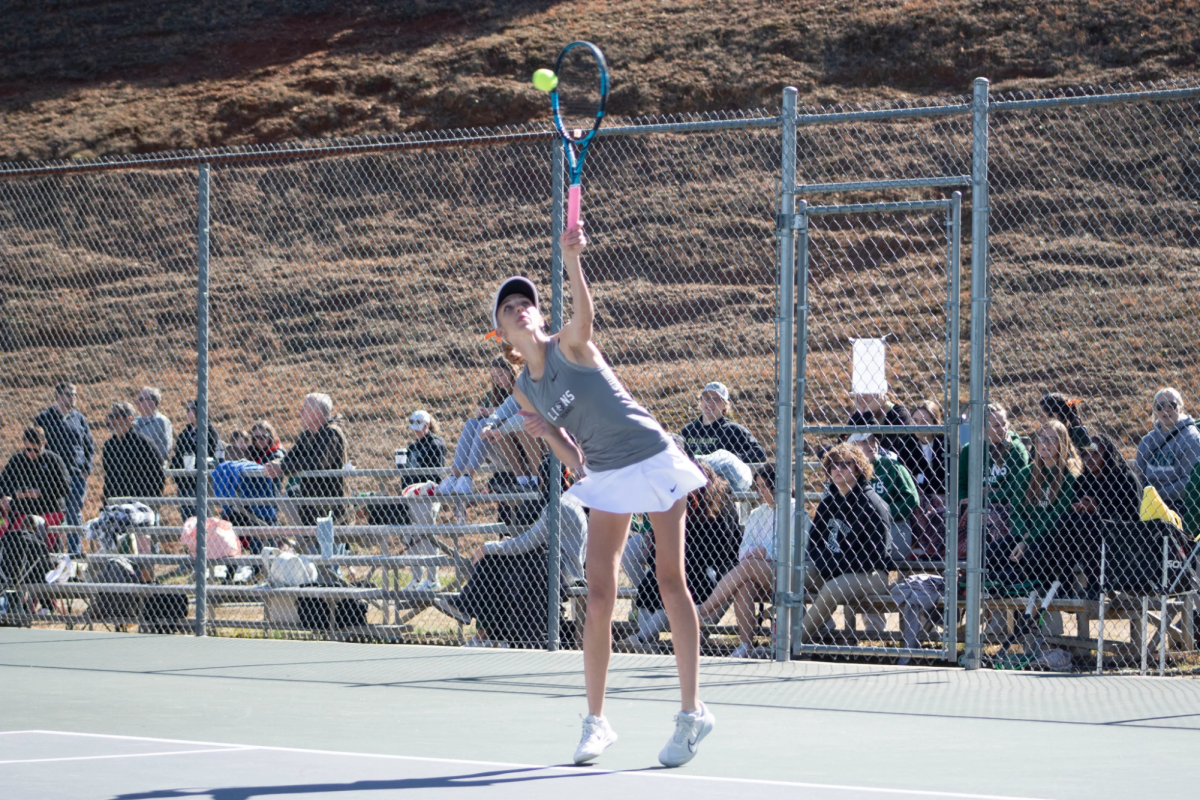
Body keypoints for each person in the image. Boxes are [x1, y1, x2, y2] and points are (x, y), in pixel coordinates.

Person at [495, 223, 713, 767]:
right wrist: (551, 437)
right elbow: (577, 460)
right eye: (510, 308)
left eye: (527, 303)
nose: (521, 310)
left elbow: (586, 316)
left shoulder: (571, 342)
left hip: (652, 454)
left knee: (669, 579)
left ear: (541, 315)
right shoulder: (524, 388)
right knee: (597, 597)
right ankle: (596, 722)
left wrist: (572, 260)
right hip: (609, 474)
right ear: (500, 333)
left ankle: (692, 715)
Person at [436, 458, 587, 647]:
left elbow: (530, 541)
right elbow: (535, 539)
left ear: (543, 481)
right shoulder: (564, 502)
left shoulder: (560, 505)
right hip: (552, 564)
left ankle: (475, 615)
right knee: (496, 560)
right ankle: (484, 629)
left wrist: (489, 547)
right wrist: (504, 546)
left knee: (496, 557)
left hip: (564, 570)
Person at [626, 459, 741, 652]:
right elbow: (661, 540)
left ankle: (641, 639)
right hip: (684, 562)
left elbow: (723, 548)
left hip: (710, 568)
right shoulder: (677, 499)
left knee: (683, 587)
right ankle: (647, 639)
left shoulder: (721, 503)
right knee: (651, 585)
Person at [696, 463, 792, 658]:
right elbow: (743, 551)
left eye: (765, 486)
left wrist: (765, 552)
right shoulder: (757, 514)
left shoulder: (795, 511)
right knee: (744, 585)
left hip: (786, 573)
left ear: (777, 485)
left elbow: (793, 550)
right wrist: (758, 553)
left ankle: (704, 610)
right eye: (758, 486)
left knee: (748, 566)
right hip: (756, 573)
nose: (760, 491)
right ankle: (746, 645)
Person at [802, 442, 893, 642]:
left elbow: (877, 555)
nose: (838, 469)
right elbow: (814, 544)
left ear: (858, 467)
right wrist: (825, 563)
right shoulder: (828, 503)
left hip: (871, 575)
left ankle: (793, 642)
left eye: (845, 464)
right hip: (833, 569)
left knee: (832, 589)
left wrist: (835, 565)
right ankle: (821, 634)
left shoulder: (873, 504)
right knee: (792, 577)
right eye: (834, 465)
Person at [1041, 433, 1141, 594]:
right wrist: (1078, 507)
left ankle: (1095, 586)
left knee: (1085, 521)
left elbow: (1133, 518)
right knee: (1064, 521)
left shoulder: (1125, 478)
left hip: (1119, 538)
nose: (1089, 458)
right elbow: (1075, 510)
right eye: (1085, 453)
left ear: (1107, 455)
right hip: (1084, 537)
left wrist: (1099, 509)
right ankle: (1064, 585)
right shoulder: (1083, 480)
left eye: (1095, 453)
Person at [439, 356, 542, 495]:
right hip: (498, 444)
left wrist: (491, 413)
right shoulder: (494, 394)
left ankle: (468, 476)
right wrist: (483, 413)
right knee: (473, 423)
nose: (497, 379)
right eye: (493, 376)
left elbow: (522, 411)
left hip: (524, 438)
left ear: (512, 371)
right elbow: (501, 412)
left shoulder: (522, 386)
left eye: (500, 374)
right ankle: (455, 476)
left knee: (493, 424)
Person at [995, 419, 1082, 577]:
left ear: (1062, 443)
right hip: (1025, 534)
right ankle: (1004, 581)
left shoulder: (1070, 475)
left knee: (1032, 555)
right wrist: (1023, 536)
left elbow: (1057, 515)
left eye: (1051, 439)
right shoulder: (1026, 474)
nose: (1045, 443)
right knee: (989, 555)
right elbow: (1016, 511)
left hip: (1050, 537)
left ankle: (1018, 581)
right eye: (1041, 438)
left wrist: (1028, 540)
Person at [261, 393, 347, 525]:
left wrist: (282, 468)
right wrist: (276, 464)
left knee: (327, 543)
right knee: (288, 497)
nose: (300, 413)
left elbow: (317, 461)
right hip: (310, 503)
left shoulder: (331, 433)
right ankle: (307, 543)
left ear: (317, 413)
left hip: (330, 505)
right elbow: (291, 456)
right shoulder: (308, 434)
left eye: (304, 409)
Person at [34, 382, 94, 552]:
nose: (73, 398)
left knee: (74, 513)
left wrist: (86, 469)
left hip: (75, 475)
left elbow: (89, 445)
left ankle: (74, 552)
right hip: (51, 476)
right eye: (69, 394)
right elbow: (38, 446)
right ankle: (50, 551)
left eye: (75, 394)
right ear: (58, 396)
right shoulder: (44, 418)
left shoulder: (79, 419)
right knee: (51, 513)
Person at [849, 432, 919, 559]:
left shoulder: (892, 466)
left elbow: (912, 499)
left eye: (874, 440)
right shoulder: (847, 471)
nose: (872, 445)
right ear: (852, 446)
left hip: (894, 527)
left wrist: (882, 514)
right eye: (865, 441)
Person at [0, 426, 70, 540]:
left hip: (49, 510)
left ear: (44, 443)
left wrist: (40, 493)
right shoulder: (17, 460)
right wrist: (12, 495)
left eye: (36, 450)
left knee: (46, 546)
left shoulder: (53, 460)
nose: (31, 453)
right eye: (28, 449)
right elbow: (3, 484)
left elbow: (65, 486)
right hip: (22, 511)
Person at [1135, 387, 1200, 509]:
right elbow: (1138, 477)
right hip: (1147, 503)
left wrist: (1157, 496)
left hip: (1179, 505)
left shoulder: (1191, 437)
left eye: (1172, 405)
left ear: (1180, 407)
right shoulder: (1147, 441)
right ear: (1155, 409)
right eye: (1161, 406)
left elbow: (1190, 482)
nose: (1166, 409)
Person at [957, 403, 1030, 503]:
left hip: (1003, 506)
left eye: (1004, 424)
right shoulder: (968, 450)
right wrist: (964, 502)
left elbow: (1014, 490)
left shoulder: (1016, 449)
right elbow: (961, 485)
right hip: (972, 505)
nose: (1003, 429)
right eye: (996, 426)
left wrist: (980, 501)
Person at [679, 381, 767, 464]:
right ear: (701, 402)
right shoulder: (688, 430)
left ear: (725, 405)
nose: (710, 403)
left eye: (716, 399)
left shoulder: (733, 430)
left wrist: (729, 460)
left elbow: (759, 452)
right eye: (707, 398)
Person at [849, 392, 924, 486]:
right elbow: (845, 445)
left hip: (893, 477)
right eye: (859, 392)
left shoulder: (899, 413)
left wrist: (868, 413)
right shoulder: (859, 413)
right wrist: (860, 413)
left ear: (880, 394)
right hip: (862, 472)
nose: (862, 396)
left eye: (868, 392)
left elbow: (880, 447)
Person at [101, 402, 166, 506]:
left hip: (139, 505)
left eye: (115, 416)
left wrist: (149, 503)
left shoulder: (143, 444)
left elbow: (158, 475)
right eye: (109, 416)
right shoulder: (109, 446)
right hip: (114, 505)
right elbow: (108, 478)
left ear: (129, 419)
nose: (110, 420)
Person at [168, 399, 221, 522]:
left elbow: (209, 452)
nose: (187, 412)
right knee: (188, 521)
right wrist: (177, 475)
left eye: (190, 409)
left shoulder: (210, 431)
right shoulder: (186, 432)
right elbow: (178, 455)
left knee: (203, 521)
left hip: (200, 484)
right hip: (184, 483)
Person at [405, 410, 447, 488]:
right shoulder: (412, 447)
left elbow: (437, 474)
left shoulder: (435, 444)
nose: (415, 430)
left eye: (418, 427)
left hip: (428, 490)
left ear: (427, 425)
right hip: (411, 491)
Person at [133, 386, 173, 462]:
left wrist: (152, 462)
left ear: (152, 402)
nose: (137, 402)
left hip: (153, 466)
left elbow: (165, 448)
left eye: (141, 399)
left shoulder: (161, 421)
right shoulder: (135, 421)